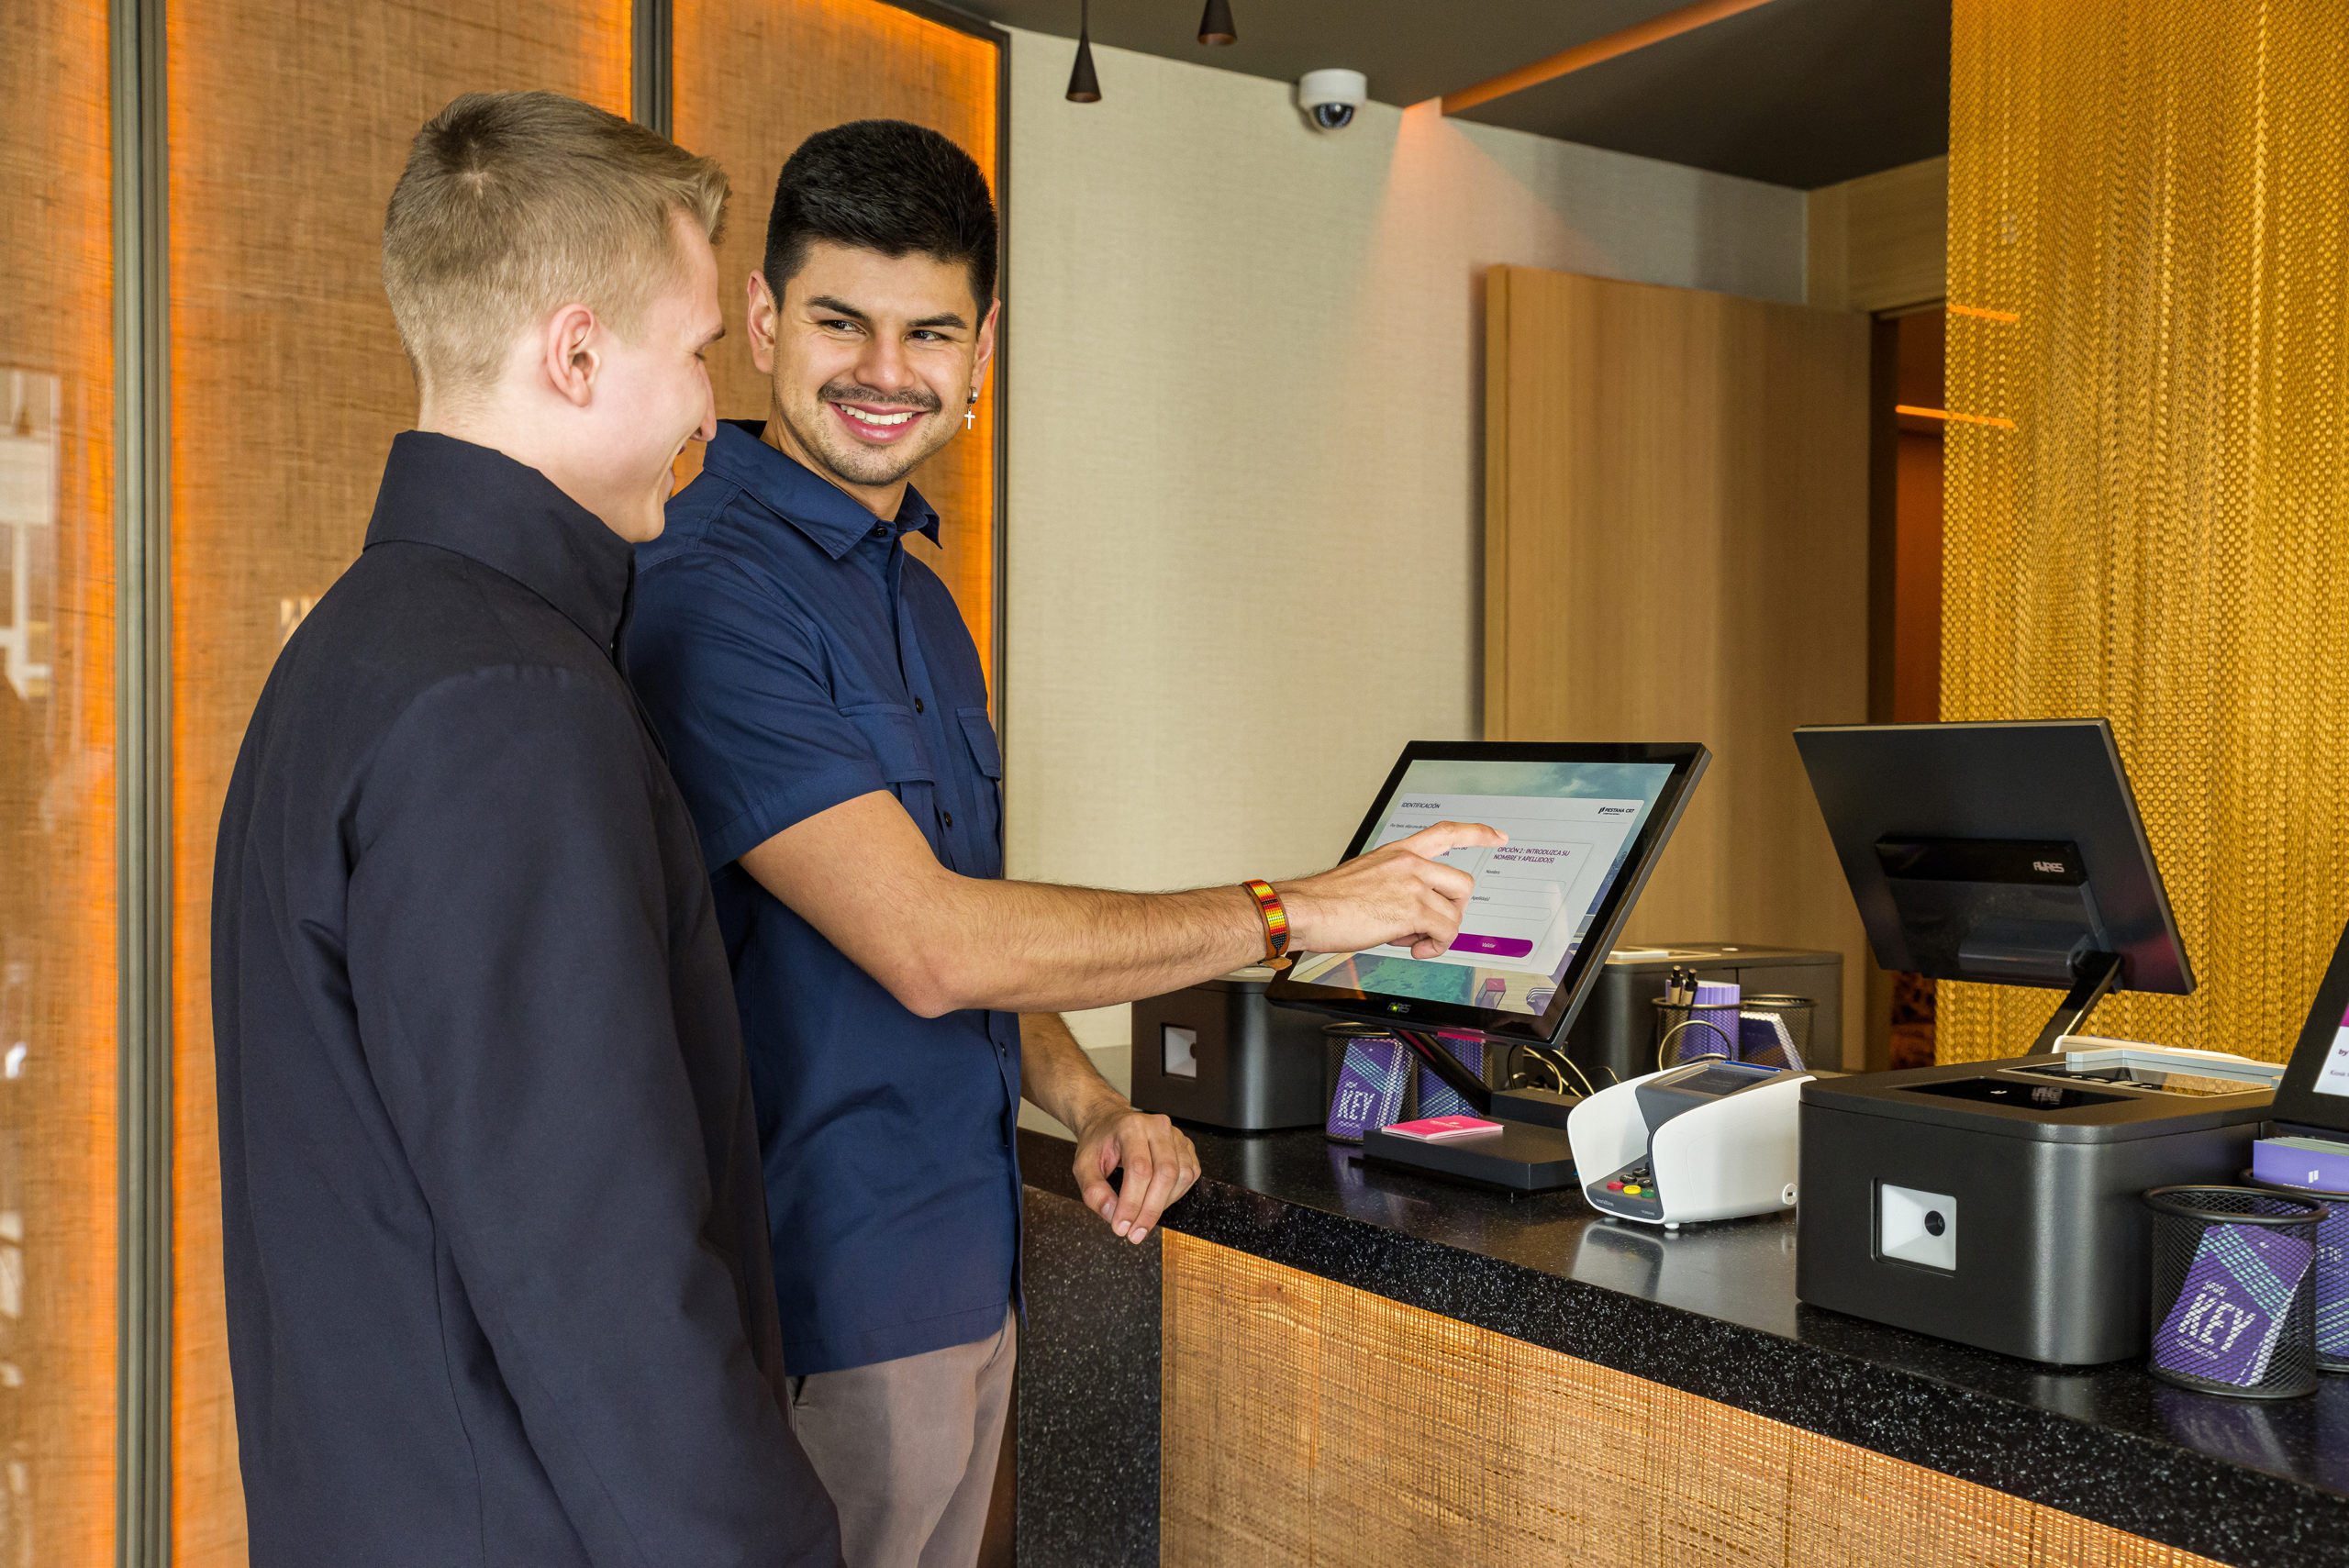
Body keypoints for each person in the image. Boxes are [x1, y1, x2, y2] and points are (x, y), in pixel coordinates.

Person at [623, 118, 1497, 1568]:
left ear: (984, 350)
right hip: (817, 1308)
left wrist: (1090, 1105)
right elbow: (930, 943)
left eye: (931, 332)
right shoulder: (712, 586)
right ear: (765, 320)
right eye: (840, 321)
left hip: (967, 1278)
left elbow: (978, 944)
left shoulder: (917, 590)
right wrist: (1299, 911)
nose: (886, 373)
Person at [211, 91, 841, 1568]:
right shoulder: (506, 705)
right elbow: (603, 1282)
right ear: (575, 353)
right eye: (695, 352)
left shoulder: (359, 652)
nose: (711, 406)